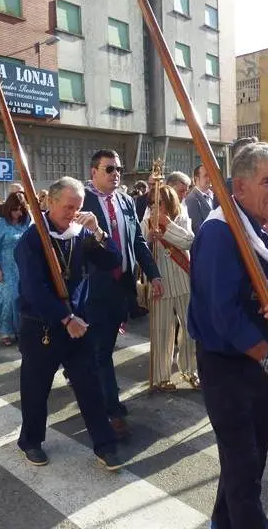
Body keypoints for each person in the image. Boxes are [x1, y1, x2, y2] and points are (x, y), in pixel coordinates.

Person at [189, 142, 268, 527]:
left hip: (267, 361)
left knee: (249, 460)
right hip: (228, 364)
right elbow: (225, 317)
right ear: (240, 187)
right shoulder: (219, 233)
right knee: (244, 468)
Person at [15, 177, 126, 471]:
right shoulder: (32, 238)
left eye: (77, 207)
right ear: (50, 203)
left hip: (78, 325)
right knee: (37, 387)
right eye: (67, 206)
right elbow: (33, 288)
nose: (72, 212)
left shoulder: (80, 233)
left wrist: (99, 232)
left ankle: (105, 445)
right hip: (43, 325)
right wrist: (65, 318)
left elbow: (113, 261)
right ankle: (31, 441)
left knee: (90, 385)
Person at [82, 149, 163, 439]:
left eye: (118, 169)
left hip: (122, 287)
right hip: (93, 289)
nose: (116, 174)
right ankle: (110, 410)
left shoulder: (127, 201)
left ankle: (98, 391)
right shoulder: (81, 201)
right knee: (101, 352)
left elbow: (138, 241)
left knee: (103, 350)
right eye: (109, 169)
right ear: (94, 172)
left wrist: (153, 273)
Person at [141, 185, 198, 391]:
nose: (155, 207)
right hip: (160, 283)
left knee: (190, 329)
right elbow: (140, 244)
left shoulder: (182, 218)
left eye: (160, 202)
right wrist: (151, 236)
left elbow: (189, 242)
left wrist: (167, 225)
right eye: (152, 203)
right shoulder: (147, 221)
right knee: (162, 331)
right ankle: (161, 377)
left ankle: (190, 371)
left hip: (183, 280)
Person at [0, 192, 31, 346]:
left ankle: (20, 330)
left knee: (21, 297)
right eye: (15, 209)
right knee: (9, 299)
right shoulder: (0, 223)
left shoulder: (25, 222)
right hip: (5, 265)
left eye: (21, 209)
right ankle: (6, 331)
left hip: (22, 265)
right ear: (9, 209)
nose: (18, 213)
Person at [185, 164, 214, 235]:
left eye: (210, 175)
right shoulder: (192, 199)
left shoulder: (212, 195)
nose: (209, 178)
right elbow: (197, 228)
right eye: (206, 175)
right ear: (197, 178)